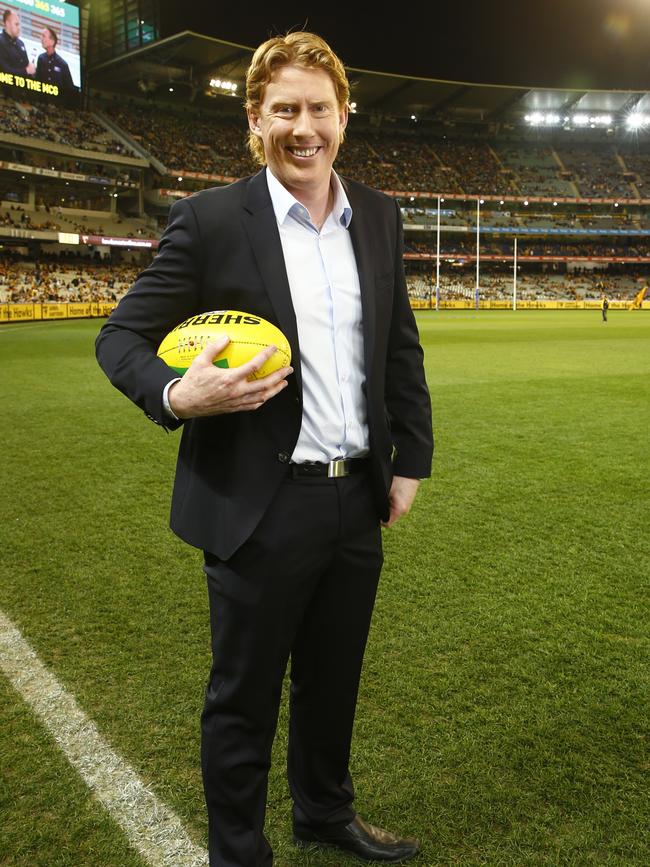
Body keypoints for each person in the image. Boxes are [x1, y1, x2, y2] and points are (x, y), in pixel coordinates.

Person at [96, 31, 433, 867]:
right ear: (256, 119)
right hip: (258, 502)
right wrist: (180, 394)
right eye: (285, 109)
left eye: (319, 107)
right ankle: (238, 854)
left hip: (356, 498)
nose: (304, 126)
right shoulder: (210, 221)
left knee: (333, 682)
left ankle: (325, 811)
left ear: (345, 116)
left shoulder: (380, 217)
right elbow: (121, 335)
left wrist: (410, 461)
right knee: (242, 699)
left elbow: (399, 351)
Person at [36, 25, 75, 93]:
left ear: (52, 41)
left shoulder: (62, 64)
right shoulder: (41, 58)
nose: (41, 38)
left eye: (43, 36)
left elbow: (70, 88)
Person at [0, 9, 35, 77]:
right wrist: (26, 71)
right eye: (16, 24)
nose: (19, 28)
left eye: (19, 24)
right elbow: (4, 72)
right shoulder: (1, 42)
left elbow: (26, 67)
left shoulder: (21, 44)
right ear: (7, 24)